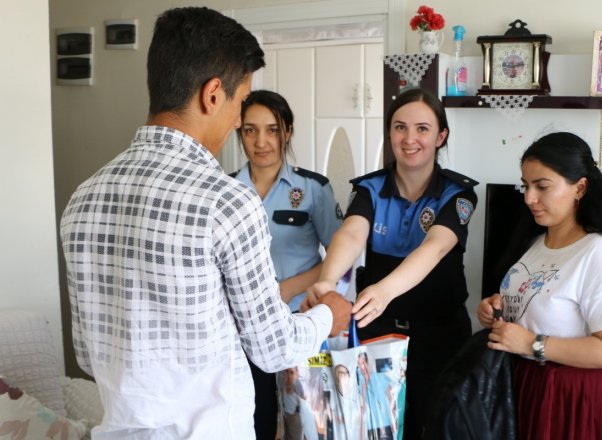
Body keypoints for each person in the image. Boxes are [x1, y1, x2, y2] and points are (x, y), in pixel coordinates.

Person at [58, 7, 352, 439]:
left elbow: (87, 353)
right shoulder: (227, 201)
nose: (238, 122)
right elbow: (274, 348)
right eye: (239, 104)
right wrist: (329, 314)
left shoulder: (83, 198)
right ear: (213, 94)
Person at [303, 87, 478, 439]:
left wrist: (383, 291)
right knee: (379, 424)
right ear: (390, 133)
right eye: (400, 127)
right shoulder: (370, 188)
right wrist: (327, 281)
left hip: (439, 334)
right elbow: (351, 235)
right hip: (379, 331)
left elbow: (435, 247)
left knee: (437, 425)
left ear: (441, 136)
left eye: (422, 129)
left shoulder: (457, 193)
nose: (410, 138)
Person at [477, 132, 602, 440]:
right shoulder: (538, 242)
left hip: (569, 397)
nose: (528, 198)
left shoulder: (598, 253)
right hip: (524, 383)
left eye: (542, 186)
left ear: (580, 187)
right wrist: (496, 311)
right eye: (525, 185)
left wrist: (530, 344)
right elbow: (538, 306)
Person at [233, 90, 343, 439]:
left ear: (288, 132)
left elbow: (338, 258)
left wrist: (286, 289)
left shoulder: (312, 189)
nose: (261, 141)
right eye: (250, 130)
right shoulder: (226, 190)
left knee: (308, 424)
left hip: (302, 324)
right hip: (245, 330)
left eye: (272, 130)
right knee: (257, 421)